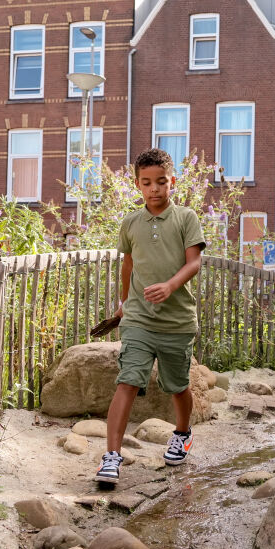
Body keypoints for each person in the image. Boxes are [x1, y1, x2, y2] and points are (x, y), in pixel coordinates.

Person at [95, 148, 206, 485]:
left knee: (177, 386)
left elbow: (194, 263)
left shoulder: (186, 218)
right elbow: (129, 265)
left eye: (161, 182)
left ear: (172, 181)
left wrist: (170, 286)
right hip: (139, 319)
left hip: (176, 321)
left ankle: (183, 432)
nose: (154, 188)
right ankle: (110, 457)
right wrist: (124, 302)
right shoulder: (130, 223)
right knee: (128, 379)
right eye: (147, 183)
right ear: (138, 185)